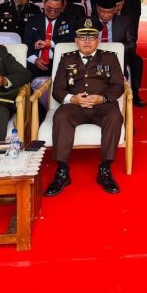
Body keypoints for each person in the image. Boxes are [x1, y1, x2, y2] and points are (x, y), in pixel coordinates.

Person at [45, 18, 126, 196]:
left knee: (114, 116)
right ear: (76, 40)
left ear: (98, 40)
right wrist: (72, 99)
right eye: (82, 38)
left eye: (91, 37)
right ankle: (62, 171)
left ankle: (105, 169)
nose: (87, 41)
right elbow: (57, 89)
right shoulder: (66, 59)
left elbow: (118, 85)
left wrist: (102, 98)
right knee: (61, 116)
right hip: (75, 106)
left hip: (102, 106)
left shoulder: (110, 58)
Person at [94, 0, 147, 108]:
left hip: (118, 55)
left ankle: (132, 95)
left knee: (136, 61)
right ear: (97, 8)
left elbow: (131, 44)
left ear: (115, 10)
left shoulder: (125, 22)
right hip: (95, 55)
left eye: (109, 12)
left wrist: (115, 50)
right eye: (103, 12)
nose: (106, 15)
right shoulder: (89, 22)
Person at [24, 0, 79, 78]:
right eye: (49, 9)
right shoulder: (33, 20)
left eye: (57, 10)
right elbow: (26, 43)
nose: (52, 12)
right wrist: (34, 59)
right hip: (35, 63)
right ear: (44, 4)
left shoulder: (69, 20)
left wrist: (50, 43)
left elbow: (71, 38)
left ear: (62, 7)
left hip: (60, 64)